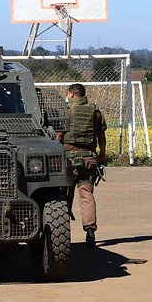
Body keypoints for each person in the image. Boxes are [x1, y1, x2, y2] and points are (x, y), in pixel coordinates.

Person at [61, 83, 107, 246]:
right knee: (87, 194)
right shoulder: (95, 111)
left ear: (72, 94)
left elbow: (58, 136)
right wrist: (102, 154)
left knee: (63, 197)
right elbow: (101, 135)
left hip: (67, 160)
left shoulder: (65, 111)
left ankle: (60, 231)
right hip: (89, 159)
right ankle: (90, 230)